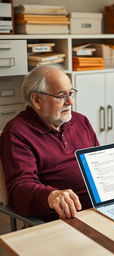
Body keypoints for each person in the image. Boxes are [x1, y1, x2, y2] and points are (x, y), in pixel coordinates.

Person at [0, 65, 99, 221]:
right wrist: (51, 196)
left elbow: (99, 163)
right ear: (37, 100)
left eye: (71, 93)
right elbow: (20, 189)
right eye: (62, 96)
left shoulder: (81, 121)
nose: (70, 102)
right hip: (67, 217)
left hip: (101, 209)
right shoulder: (17, 132)